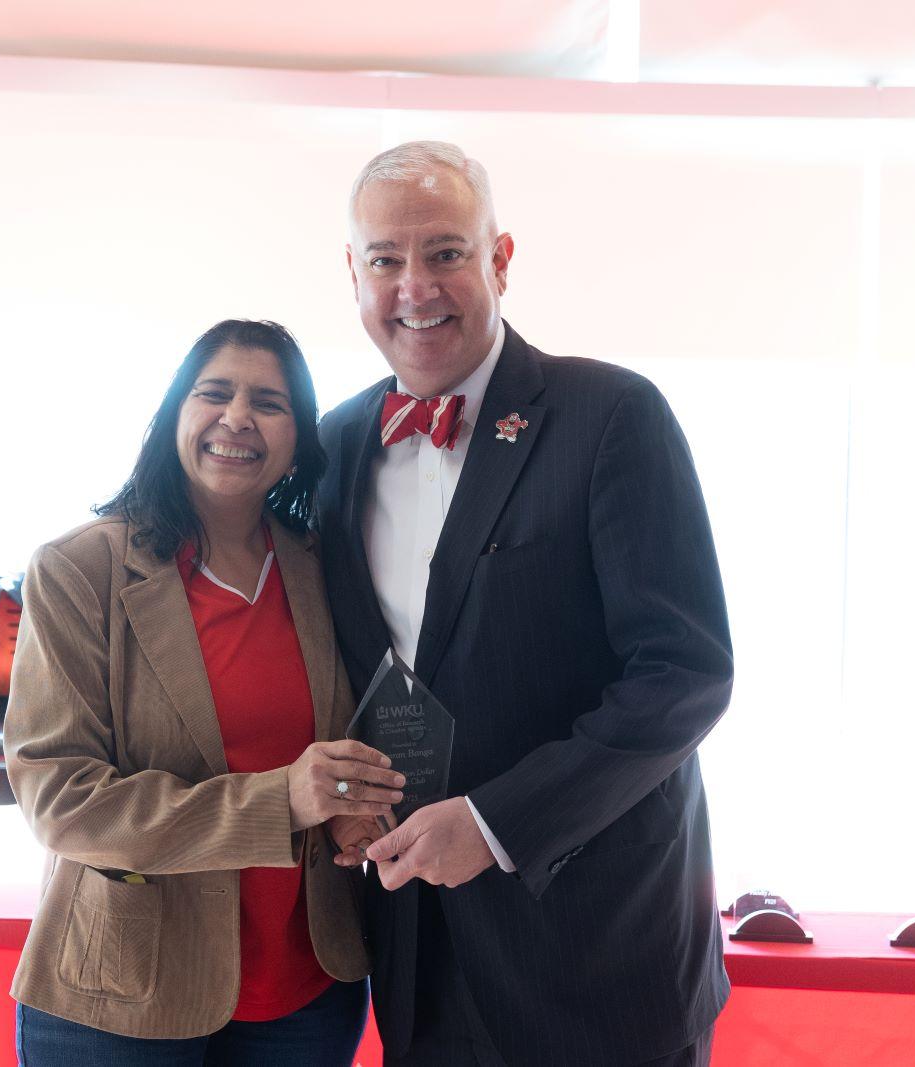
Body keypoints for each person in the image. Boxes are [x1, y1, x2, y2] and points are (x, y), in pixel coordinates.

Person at [317, 142, 734, 1066]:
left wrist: (495, 824)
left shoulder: (612, 414)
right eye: (385, 259)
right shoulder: (333, 446)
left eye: (446, 252)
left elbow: (684, 674)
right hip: (417, 955)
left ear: (500, 260)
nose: (415, 286)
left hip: (598, 954)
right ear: (354, 274)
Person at [4, 319, 407, 1065]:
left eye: (269, 403)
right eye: (215, 393)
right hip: (125, 991)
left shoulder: (326, 568)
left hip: (306, 991)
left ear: (299, 437)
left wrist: (348, 813)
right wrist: (281, 801)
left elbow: (348, 737)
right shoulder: (78, 570)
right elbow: (61, 799)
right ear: (174, 415)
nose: (238, 417)